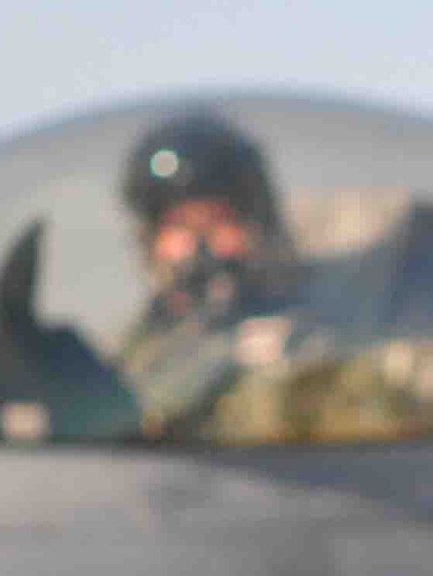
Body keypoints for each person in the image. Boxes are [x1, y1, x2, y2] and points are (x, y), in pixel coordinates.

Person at [116, 110, 302, 439]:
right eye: (179, 225)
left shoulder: (318, 332)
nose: (200, 245)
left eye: (220, 220)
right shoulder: (129, 361)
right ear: (151, 240)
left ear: (255, 228)